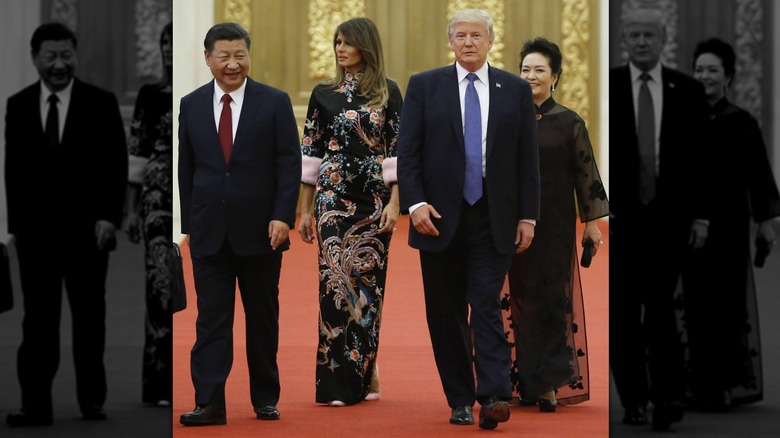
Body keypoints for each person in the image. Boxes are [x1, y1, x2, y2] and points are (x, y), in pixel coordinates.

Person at [396, 8, 540, 430]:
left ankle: (493, 394)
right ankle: (459, 398)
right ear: (450, 41)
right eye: (460, 35)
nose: (469, 42)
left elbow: (526, 160)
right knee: (445, 313)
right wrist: (416, 203)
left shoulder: (514, 89)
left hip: (493, 216)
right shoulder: (425, 86)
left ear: (491, 40)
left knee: (487, 306)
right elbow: (408, 153)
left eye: (477, 35)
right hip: (437, 218)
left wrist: (528, 217)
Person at [177, 22, 301, 426]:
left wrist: (283, 215)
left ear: (249, 55)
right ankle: (209, 401)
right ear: (208, 58)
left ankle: (265, 397)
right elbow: (187, 169)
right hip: (209, 231)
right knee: (211, 320)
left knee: (262, 318)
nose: (233, 64)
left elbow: (288, 164)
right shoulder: (191, 104)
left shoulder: (274, 102)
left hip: (263, 231)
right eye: (224, 56)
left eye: (240, 55)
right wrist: (189, 223)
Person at [4, 22, 128, 426]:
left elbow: (115, 166)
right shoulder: (18, 105)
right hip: (36, 238)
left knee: (89, 320)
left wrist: (110, 217)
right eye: (51, 56)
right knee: (38, 322)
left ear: (75, 55)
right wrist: (17, 229)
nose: (59, 64)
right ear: (35, 58)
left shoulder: (101, 102)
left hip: (88, 234)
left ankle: (92, 400)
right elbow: (13, 173)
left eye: (66, 55)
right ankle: (34, 404)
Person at [609, 8, 712, 431]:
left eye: (649, 34)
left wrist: (701, 216)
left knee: (663, 312)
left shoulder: (687, 90)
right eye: (633, 35)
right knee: (625, 315)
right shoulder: (609, 86)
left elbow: (701, 160)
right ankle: (634, 400)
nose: (641, 41)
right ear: (624, 40)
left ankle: (668, 396)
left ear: (663, 38)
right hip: (621, 221)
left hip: (670, 221)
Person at [297, 17, 402, 407]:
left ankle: (366, 370)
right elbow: (311, 152)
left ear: (366, 47)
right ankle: (336, 384)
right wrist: (304, 210)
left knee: (367, 291)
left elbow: (396, 152)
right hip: (332, 202)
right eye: (337, 42)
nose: (341, 49)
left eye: (348, 43)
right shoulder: (323, 93)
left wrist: (396, 202)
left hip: (374, 202)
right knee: (334, 288)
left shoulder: (388, 92)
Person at [503, 36, 609, 413]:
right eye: (525, 70)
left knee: (551, 300)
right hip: (511, 223)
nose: (531, 76)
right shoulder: (506, 118)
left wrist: (592, 225)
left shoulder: (568, 121)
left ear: (555, 77)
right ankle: (522, 381)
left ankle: (547, 382)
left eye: (539, 71)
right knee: (519, 300)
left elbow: (586, 176)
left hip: (556, 225)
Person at [680, 37, 780, 411]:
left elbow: (760, 177)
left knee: (727, 305)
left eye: (713, 71)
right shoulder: (680, 119)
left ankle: (723, 384)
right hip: (688, 227)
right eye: (700, 70)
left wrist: (766, 225)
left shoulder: (742, 122)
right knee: (693, 304)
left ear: (729, 77)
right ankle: (694, 383)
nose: (705, 76)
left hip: (731, 227)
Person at [124, 21, 173, 407]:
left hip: (197, 197)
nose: (169, 49)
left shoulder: (200, 92)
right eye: (164, 43)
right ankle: (158, 384)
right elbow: (136, 156)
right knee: (159, 286)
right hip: (156, 200)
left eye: (175, 43)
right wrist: (131, 209)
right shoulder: (150, 95)